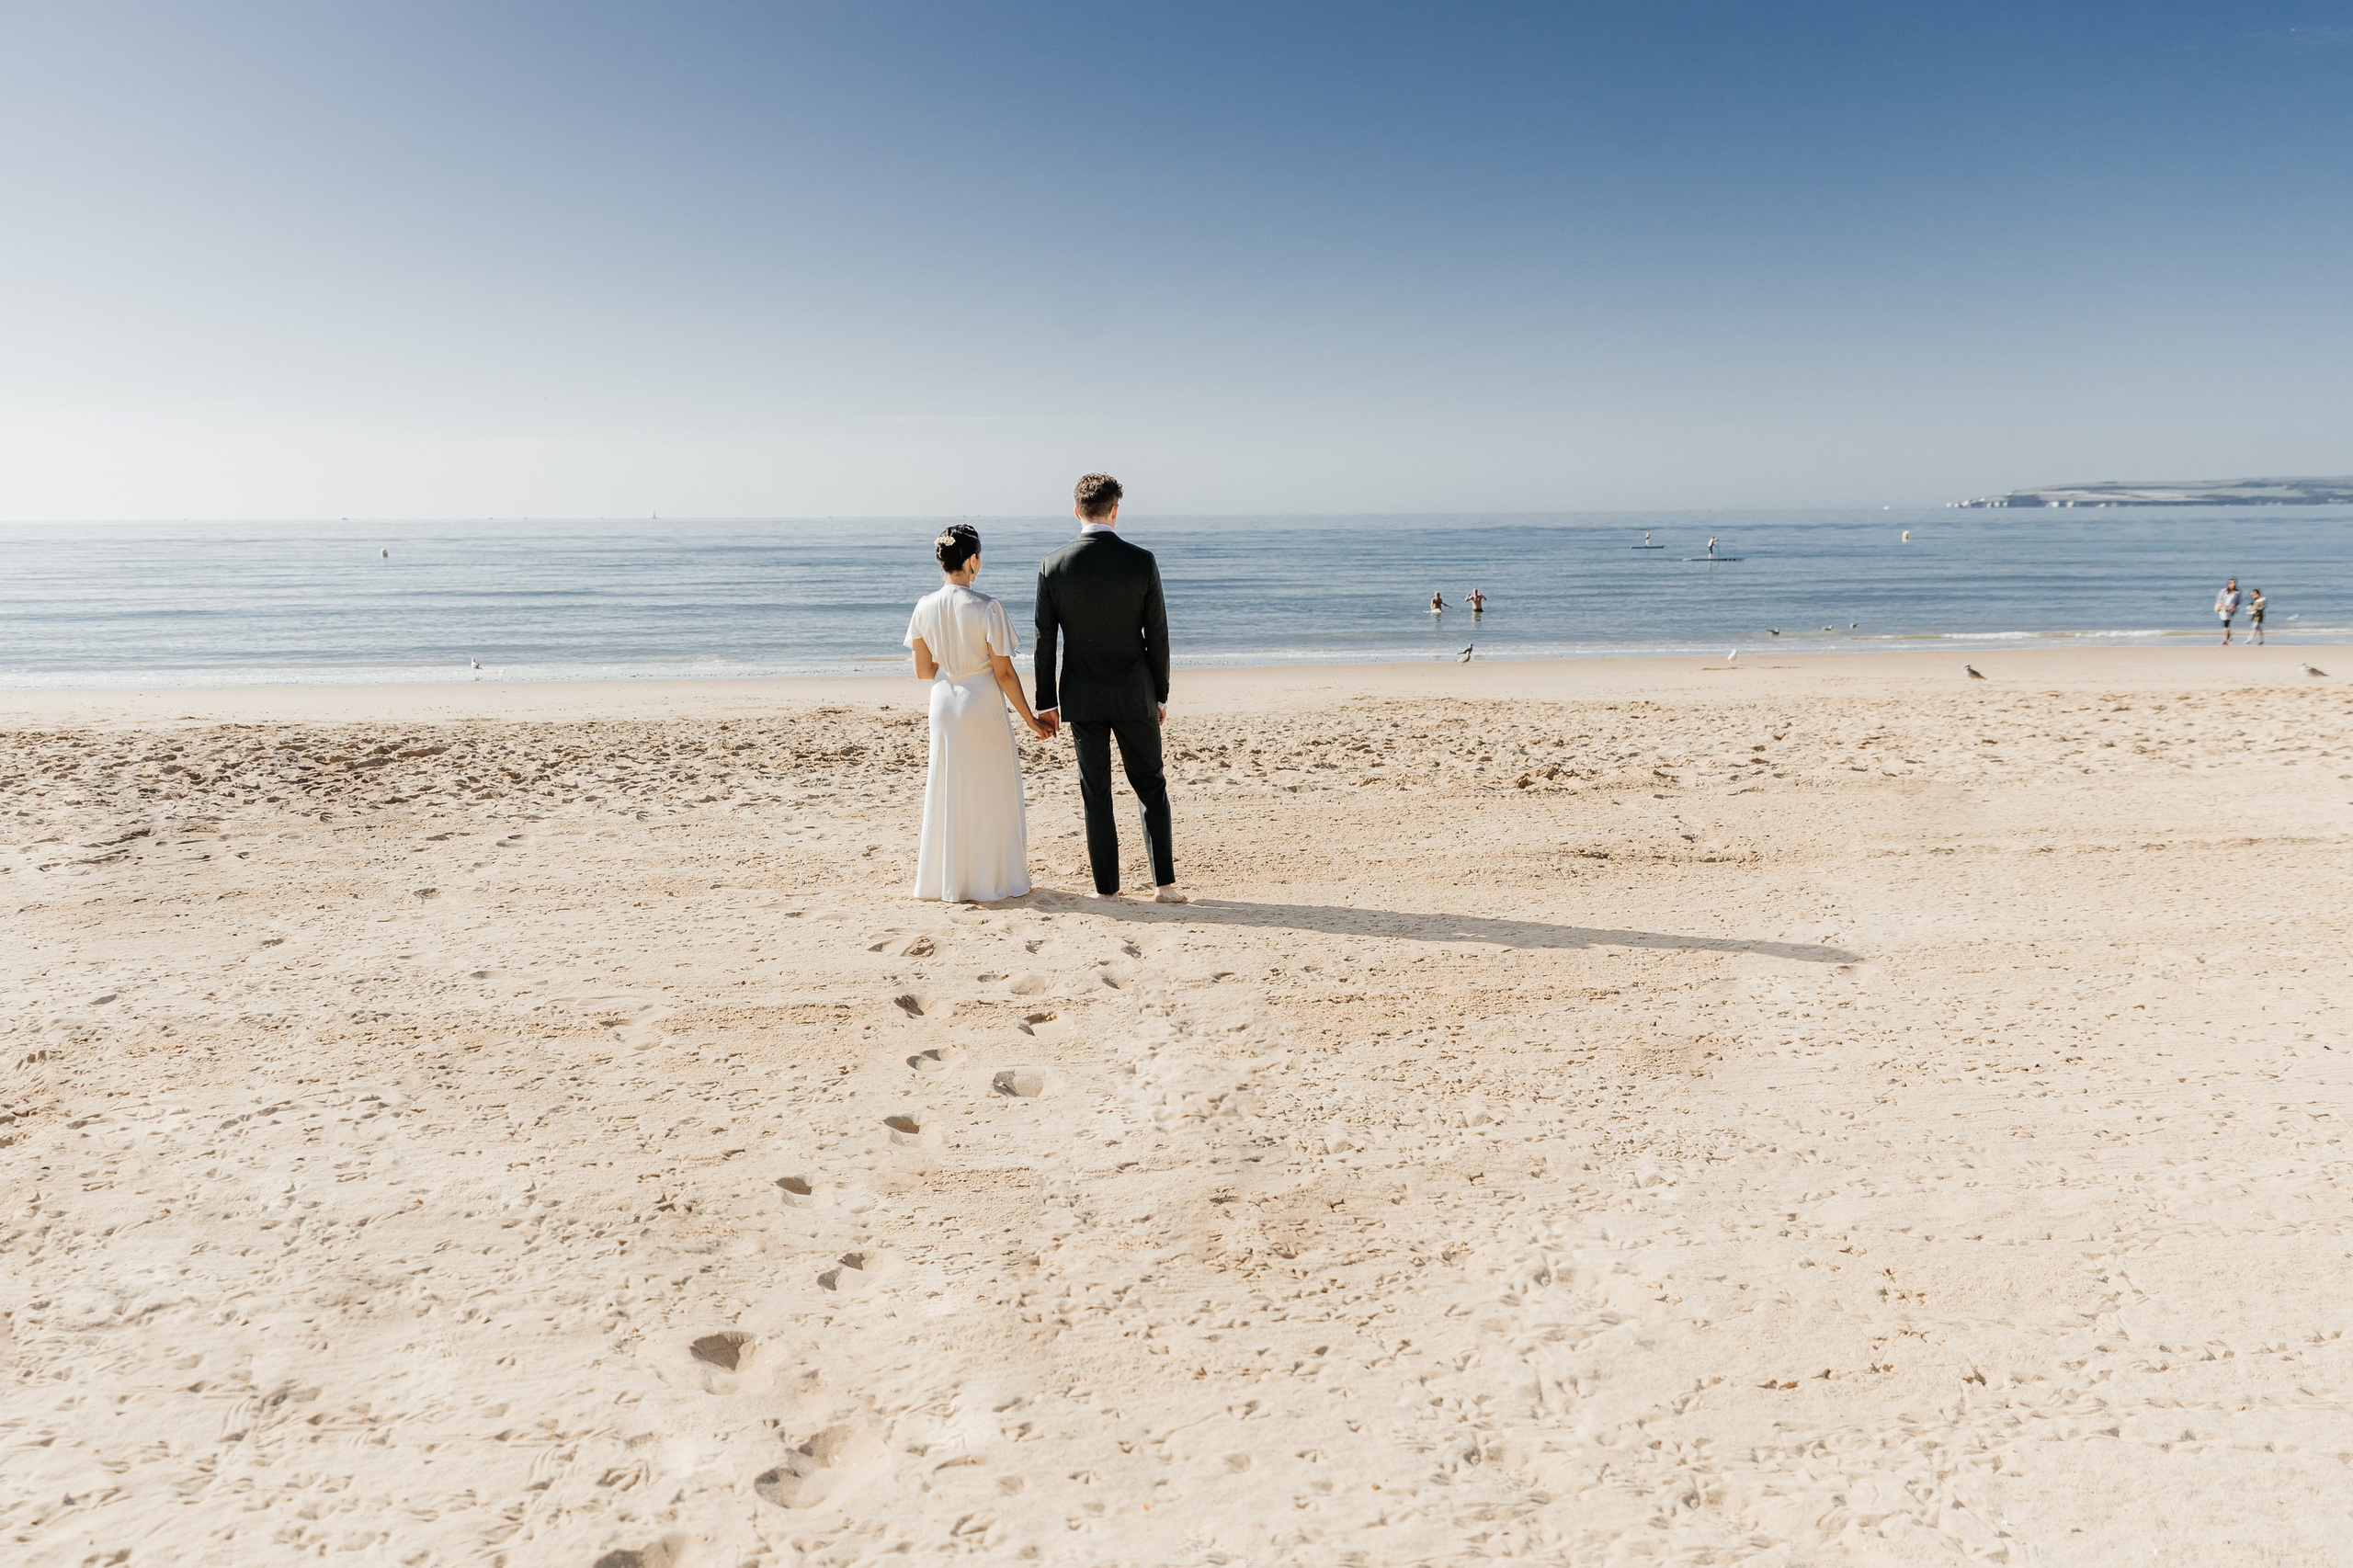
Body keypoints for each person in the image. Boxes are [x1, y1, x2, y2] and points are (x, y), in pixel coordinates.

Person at [1034, 474, 1184, 903]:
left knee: (1095, 792)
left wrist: (1047, 703)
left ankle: (1108, 892)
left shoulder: (1054, 565)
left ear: (1076, 511)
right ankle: (1165, 886)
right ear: (1115, 509)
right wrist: (1161, 694)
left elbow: (1046, 641)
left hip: (1081, 696)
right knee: (1150, 785)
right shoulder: (1141, 561)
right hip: (1134, 692)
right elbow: (1158, 634)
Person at [905, 524, 1050, 903]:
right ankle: (994, 880)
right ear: (972, 561)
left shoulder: (923, 606)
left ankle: (947, 881)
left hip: (944, 703)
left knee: (949, 788)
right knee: (993, 789)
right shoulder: (987, 607)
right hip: (981, 704)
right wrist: (1031, 719)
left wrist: (952, 669)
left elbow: (923, 671)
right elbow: (1003, 672)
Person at [2216, 578, 2241, 645]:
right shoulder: (2223, 591)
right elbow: (2219, 599)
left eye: (2234, 583)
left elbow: (2237, 602)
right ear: (2229, 583)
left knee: (2226, 624)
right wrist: (2222, 606)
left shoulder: (2237, 593)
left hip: (2231, 610)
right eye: (2231, 583)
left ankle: (2225, 640)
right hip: (2222, 608)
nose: (2232, 584)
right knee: (2225, 624)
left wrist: (2232, 607)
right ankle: (2229, 638)